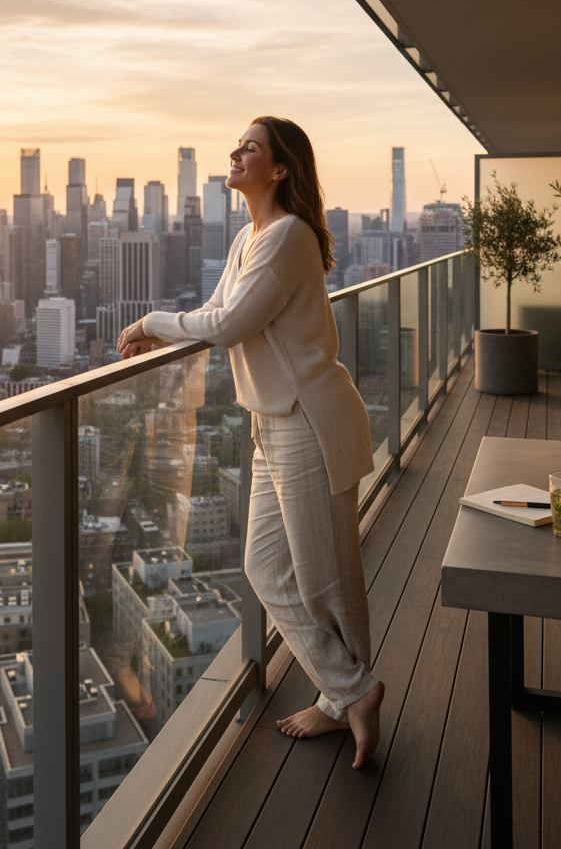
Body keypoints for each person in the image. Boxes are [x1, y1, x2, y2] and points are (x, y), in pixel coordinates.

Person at [116, 116, 384, 769]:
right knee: (266, 568)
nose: (236, 153)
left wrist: (151, 320)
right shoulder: (248, 239)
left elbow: (230, 324)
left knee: (326, 581)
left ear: (280, 168)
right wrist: (167, 332)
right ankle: (350, 690)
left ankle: (344, 697)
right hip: (272, 424)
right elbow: (214, 313)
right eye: (238, 145)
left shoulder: (289, 236)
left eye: (251, 148)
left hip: (310, 424)